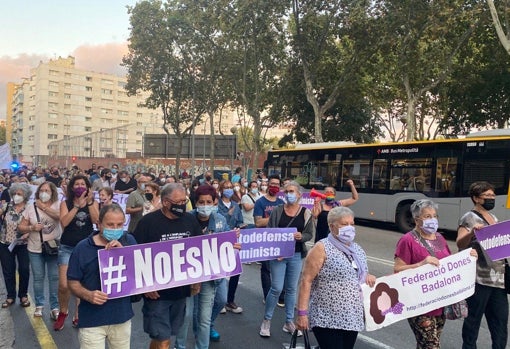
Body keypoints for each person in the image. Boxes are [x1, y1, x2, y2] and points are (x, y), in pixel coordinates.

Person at [394, 199, 476, 349]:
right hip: (419, 304)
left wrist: (468, 256)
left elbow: (450, 264)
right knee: (431, 345)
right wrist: (420, 264)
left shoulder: (439, 238)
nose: (432, 219)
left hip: (439, 302)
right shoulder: (407, 240)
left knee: (427, 344)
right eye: (427, 216)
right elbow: (398, 269)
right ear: (416, 219)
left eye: (434, 215)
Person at [134, 183, 202, 349]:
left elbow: (200, 250)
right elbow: (134, 256)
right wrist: (144, 285)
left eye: (184, 200)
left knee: (164, 337)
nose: (182, 205)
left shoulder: (190, 220)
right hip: (156, 295)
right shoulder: (148, 223)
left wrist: (197, 280)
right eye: (178, 201)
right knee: (163, 339)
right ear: (165, 202)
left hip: (180, 292)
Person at [296, 206, 375, 349]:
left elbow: (358, 274)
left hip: (352, 317)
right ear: (332, 226)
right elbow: (306, 280)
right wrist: (302, 313)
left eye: (352, 224)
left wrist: (368, 277)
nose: (350, 228)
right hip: (327, 317)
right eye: (344, 224)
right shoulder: (321, 248)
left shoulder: (357, 249)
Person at [67, 204, 136, 349]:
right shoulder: (82, 248)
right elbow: (72, 282)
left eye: (119, 225)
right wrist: (88, 295)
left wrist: (124, 254)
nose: (115, 229)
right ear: (98, 224)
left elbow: (139, 274)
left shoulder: (129, 241)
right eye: (110, 225)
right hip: (92, 321)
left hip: (121, 319)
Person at [175, 185, 230, 348]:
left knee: (205, 318)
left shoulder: (220, 220)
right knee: (186, 314)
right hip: (187, 275)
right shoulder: (185, 219)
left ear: (214, 203)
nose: (205, 205)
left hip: (209, 276)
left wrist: (232, 243)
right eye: (201, 202)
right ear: (195, 202)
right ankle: (180, 346)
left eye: (208, 202)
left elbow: (226, 242)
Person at [456, 181, 508, 349]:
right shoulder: (469, 217)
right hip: (479, 279)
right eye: (487, 196)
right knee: (473, 322)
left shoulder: (494, 218)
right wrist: (472, 233)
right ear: (476, 198)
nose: (492, 198)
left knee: (500, 322)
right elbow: (460, 244)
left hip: (498, 280)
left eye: (493, 195)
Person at [259, 181, 314, 338]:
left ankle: (289, 322)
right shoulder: (277, 211)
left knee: (291, 289)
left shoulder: (305, 213)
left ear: (298, 195)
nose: (289, 194)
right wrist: (277, 247)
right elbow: (269, 231)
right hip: (278, 255)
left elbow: (310, 234)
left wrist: (301, 236)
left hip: (296, 255)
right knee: (276, 287)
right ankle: (266, 320)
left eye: (292, 191)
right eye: (287, 191)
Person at [54, 174, 99, 331]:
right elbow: (64, 222)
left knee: (81, 284)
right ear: (72, 187)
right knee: (64, 285)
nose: (80, 186)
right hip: (67, 247)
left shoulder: (93, 202)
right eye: (77, 184)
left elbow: (96, 221)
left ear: (87, 188)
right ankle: (63, 312)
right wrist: (77, 206)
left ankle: (78, 314)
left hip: (85, 248)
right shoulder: (65, 203)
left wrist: (90, 202)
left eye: (83, 184)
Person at [18, 182, 61, 319]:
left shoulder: (58, 205)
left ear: (52, 192)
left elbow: (60, 217)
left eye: (47, 190)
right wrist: (31, 228)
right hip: (35, 248)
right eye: (41, 190)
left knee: (54, 277)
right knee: (38, 278)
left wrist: (43, 207)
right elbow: (21, 226)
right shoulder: (31, 208)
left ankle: (54, 307)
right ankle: (39, 305)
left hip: (53, 248)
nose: (43, 193)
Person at [0, 183, 32, 309]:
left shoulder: (30, 208)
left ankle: (23, 295)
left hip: (23, 244)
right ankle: (10, 296)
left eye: (19, 194)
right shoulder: (7, 206)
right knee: (8, 270)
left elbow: (34, 223)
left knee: (24, 269)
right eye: (14, 194)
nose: (16, 196)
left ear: (25, 195)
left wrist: (28, 232)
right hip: (5, 243)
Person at [254, 175, 285, 302]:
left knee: (280, 267)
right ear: (267, 185)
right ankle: (267, 296)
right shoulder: (260, 202)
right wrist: (274, 217)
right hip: (265, 239)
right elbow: (258, 222)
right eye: (272, 184)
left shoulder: (281, 203)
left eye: (277, 184)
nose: (274, 187)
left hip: (278, 240)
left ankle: (281, 296)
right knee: (266, 268)